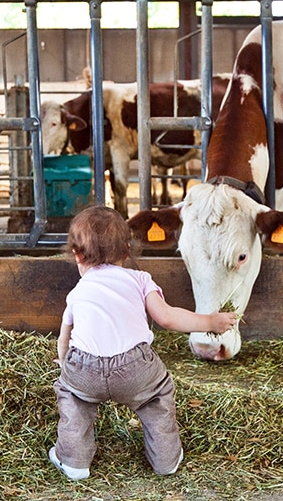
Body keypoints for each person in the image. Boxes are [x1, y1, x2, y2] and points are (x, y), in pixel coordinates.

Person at [49, 205, 238, 481]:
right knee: (156, 397)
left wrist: (65, 363)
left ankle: (73, 461)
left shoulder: (77, 292)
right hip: (134, 368)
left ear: (77, 255)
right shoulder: (140, 280)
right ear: (126, 250)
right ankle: (166, 460)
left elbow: (64, 337)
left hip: (84, 366)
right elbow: (168, 318)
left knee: (74, 397)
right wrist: (210, 322)